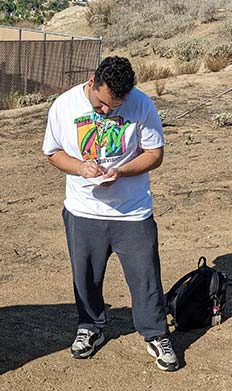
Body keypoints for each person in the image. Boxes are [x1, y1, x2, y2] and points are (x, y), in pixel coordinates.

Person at [42, 56, 178, 371]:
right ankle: (90, 326)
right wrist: (80, 167)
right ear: (92, 82)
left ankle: (156, 334)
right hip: (83, 210)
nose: (107, 112)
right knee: (86, 276)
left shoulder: (141, 105)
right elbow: (53, 152)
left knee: (145, 278)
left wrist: (122, 171)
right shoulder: (64, 105)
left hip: (132, 212)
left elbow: (155, 154)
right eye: (102, 104)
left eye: (115, 107)